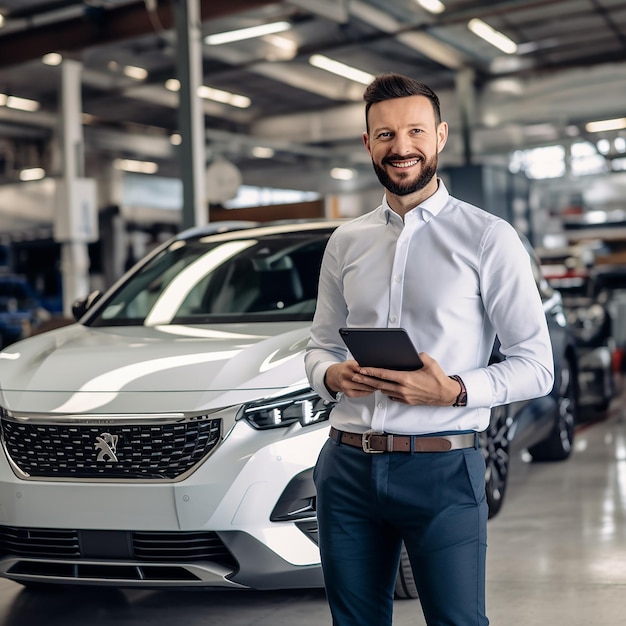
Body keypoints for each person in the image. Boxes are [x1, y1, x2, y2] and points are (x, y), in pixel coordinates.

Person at [304, 73, 554, 626]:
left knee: (458, 621)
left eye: (415, 130)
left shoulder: (489, 237)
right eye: (386, 134)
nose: (402, 147)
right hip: (346, 467)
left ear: (439, 136)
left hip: (442, 468)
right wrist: (332, 376)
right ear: (368, 144)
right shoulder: (346, 242)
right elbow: (319, 344)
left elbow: (537, 367)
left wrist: (455, 389)